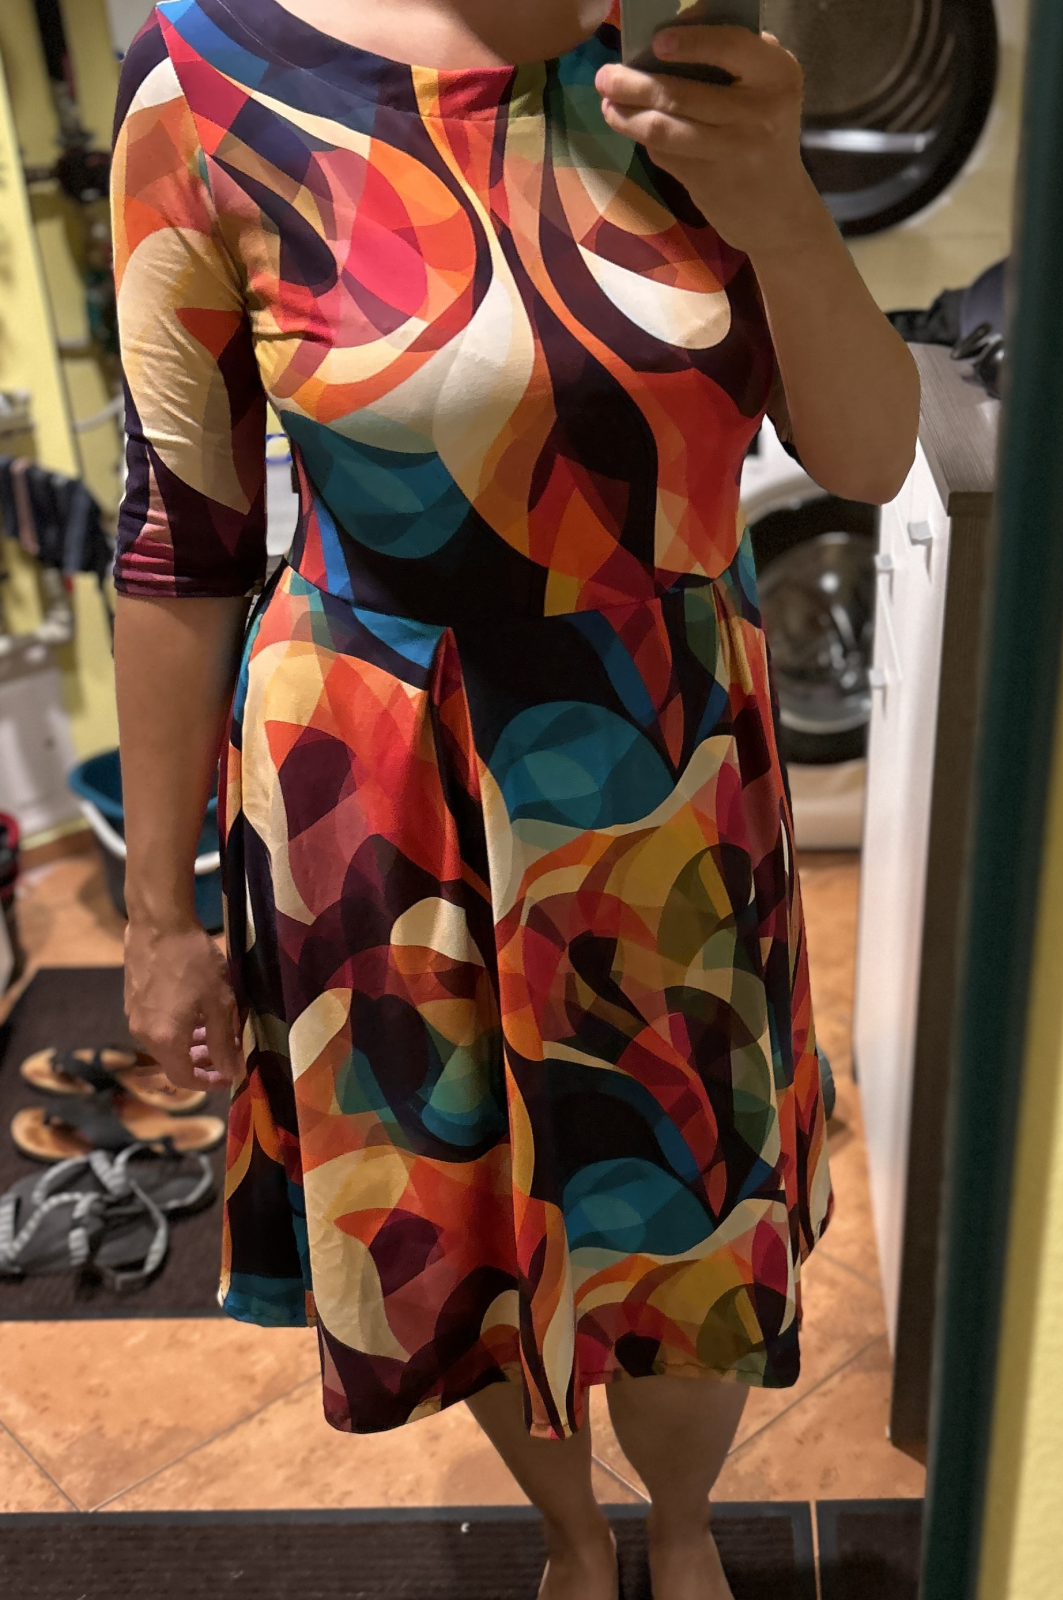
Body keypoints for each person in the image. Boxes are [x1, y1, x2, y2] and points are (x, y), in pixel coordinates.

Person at [111, 3, 919, 1596]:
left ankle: (679, 1535)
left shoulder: (680, 50)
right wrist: (154, 921)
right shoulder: (201, 84)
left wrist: (777, 204)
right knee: (460, 1208)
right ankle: (571, 1541)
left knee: (683, 1202)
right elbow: (177, 538)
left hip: (665, 761)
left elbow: (869, 450)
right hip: (378, 780)